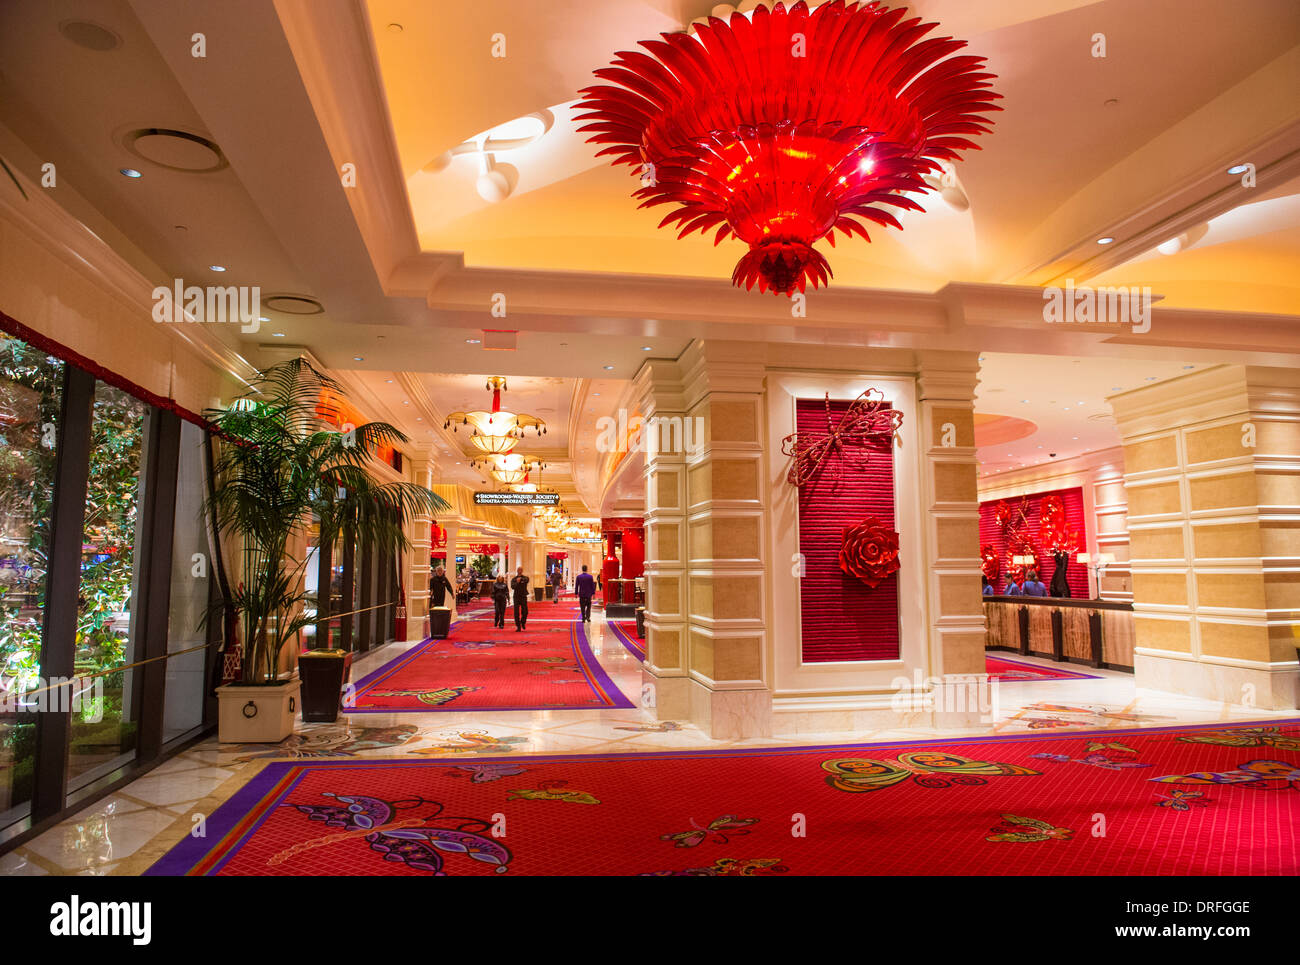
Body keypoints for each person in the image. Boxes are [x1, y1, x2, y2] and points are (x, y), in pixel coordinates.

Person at [510, 566, 530, 631]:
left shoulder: (525, 578)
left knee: (525, 611)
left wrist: (521, 579)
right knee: (516, 612)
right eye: (519, 570)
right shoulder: (514, 579)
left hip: (523, 596)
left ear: (522, 571)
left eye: (521, 570)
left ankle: (523, 622)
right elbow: (512, 586)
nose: (520, 571)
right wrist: (517, 582)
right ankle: (518, 626)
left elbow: (527, 580)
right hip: (516, 596)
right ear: (517, 571)